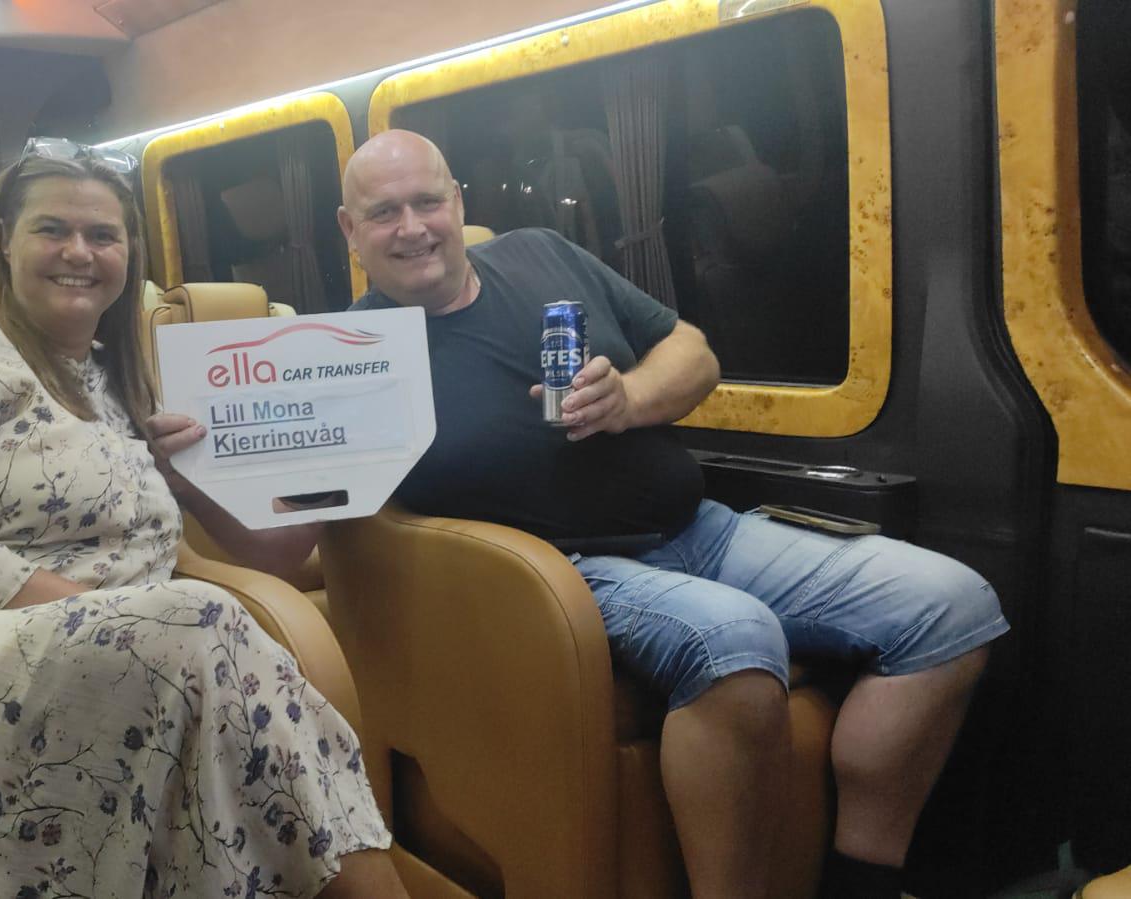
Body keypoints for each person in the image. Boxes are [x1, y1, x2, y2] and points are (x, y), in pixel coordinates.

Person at [338, 130, 1009, 899]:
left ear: (457, 202)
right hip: (560, 574)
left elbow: (692, 353)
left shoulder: (540, 253)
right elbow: (327, 537)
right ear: (350, 229)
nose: (412, 227)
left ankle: (859, 881)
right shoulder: (352, 354)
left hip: (703, 529)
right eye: (383, 212)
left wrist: (629, 399)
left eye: (427, 201)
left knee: (951, 607)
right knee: (734, 636)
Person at [0, 150, 406, 898]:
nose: (78, 252)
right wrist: (116, 619)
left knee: (197, 641)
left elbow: (273, 556)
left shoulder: (124, 384)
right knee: (198, 623)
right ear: (5, 240)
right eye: (52, 230)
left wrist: (314, 462)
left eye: (102, 235)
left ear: (129, 253)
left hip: (123, 674)